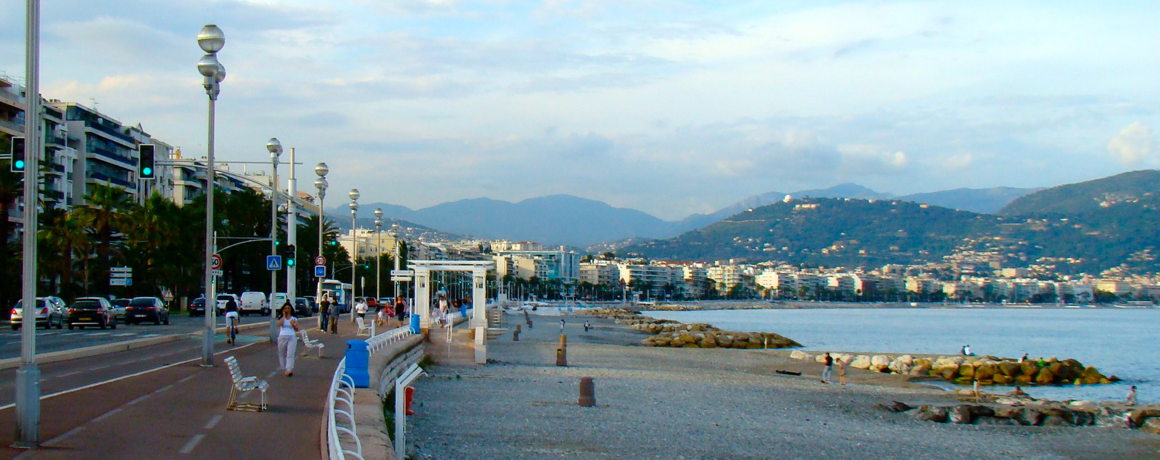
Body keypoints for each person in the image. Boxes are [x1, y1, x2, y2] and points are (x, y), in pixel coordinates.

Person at [276, 302, 300, 377]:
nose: (287, 310)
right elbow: (279, 324)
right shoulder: (281, 317)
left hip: (291, 337)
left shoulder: (294, 318)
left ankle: (289, 369)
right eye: (285, 308)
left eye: (288, 308)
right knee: (282, 353)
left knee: (290, 354)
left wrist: (293, 324)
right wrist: (283, 316)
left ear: (291, 309)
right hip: (282, 336)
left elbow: (297, 329)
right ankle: (284, 367)